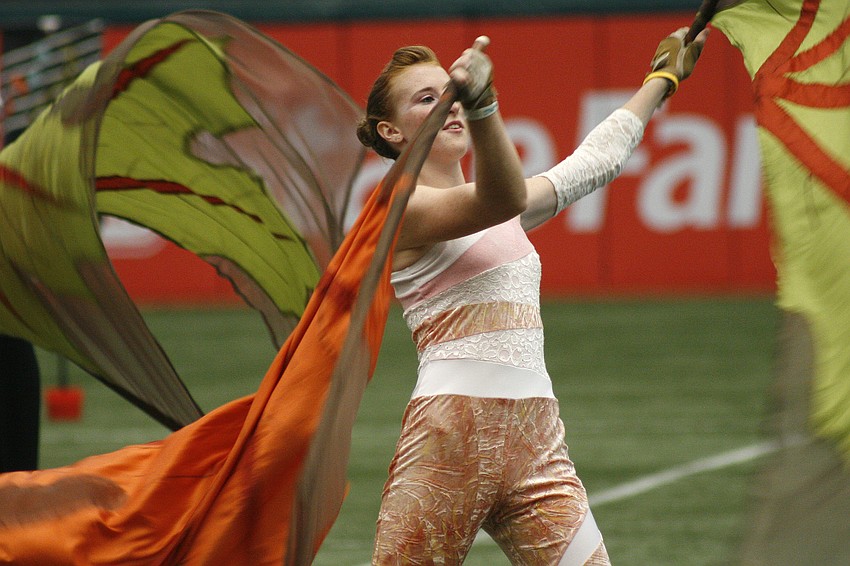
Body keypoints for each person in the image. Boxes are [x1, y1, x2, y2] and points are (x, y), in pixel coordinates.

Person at [356, 26, 709, 564]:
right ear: (391, 131)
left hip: (538, 437)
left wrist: (662, 78)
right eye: (427, 99)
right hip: (451, 436)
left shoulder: (496, 203)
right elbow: (502, 197)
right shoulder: (400, 209)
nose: (448, 108)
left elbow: (595, 163)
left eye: (450, 95)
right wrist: (484, 104)